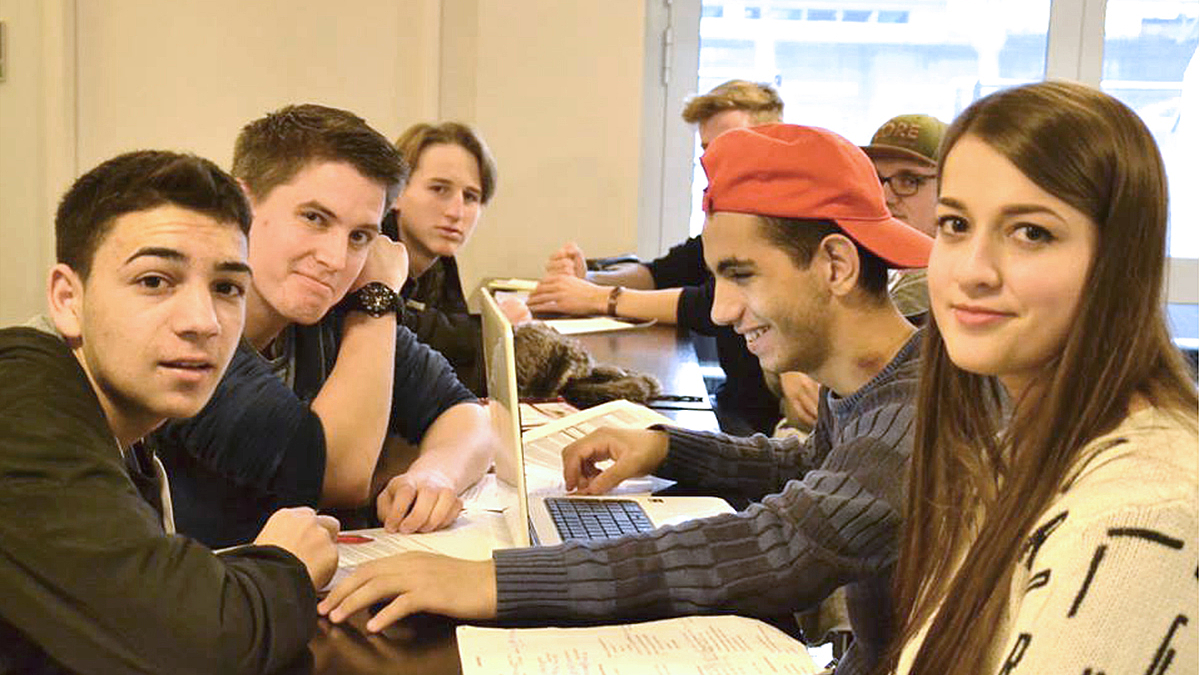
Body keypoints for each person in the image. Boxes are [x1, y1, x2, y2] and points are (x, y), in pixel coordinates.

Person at [320, 124, 934, 675]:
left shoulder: (911, 417)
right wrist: (665, 448)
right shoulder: (875, 384)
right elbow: (812, 469)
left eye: (741, 275)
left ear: (835, 265)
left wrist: (494, 581)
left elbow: (777, 547)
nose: (720, 310)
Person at [885, 81, 1197, 673]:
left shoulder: (1138, 514)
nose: (972, 271)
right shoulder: (1024, 442)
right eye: (954, 224)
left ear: (1118, 261)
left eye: (1030, 232)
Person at [0, 151, 339, 673]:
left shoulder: (129, 425)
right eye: (155, 281)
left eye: (227, 288)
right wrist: (286, 564)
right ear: (68, 299)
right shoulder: (18, 399)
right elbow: (198, 645)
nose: (203, 322)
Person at [149, 105, 494, 549]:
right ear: (240, 206)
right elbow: (336, 474)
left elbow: (466, 415)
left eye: (360, 237)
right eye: (314, 218)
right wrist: (379, 301)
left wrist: (433, 473)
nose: (335, 259)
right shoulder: (192, 328)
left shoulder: (331, 312)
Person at [531, 79, 786, 435]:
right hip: (732, 408)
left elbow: (705, 305)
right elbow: (663, 271)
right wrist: (587, 279)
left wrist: (598, 298)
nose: (714, 163)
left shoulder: (782, 224)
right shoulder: (730, 219)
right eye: (707, 150)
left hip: (761, 428)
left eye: (728, 147)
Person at [383, 121, 529, 396]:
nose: (456, 211)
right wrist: (491, 327)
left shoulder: (440, 261)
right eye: (439, 189)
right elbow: (395, 328)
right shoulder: (371, 247)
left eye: (471, 196)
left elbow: (456, 358)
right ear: (396, 193)